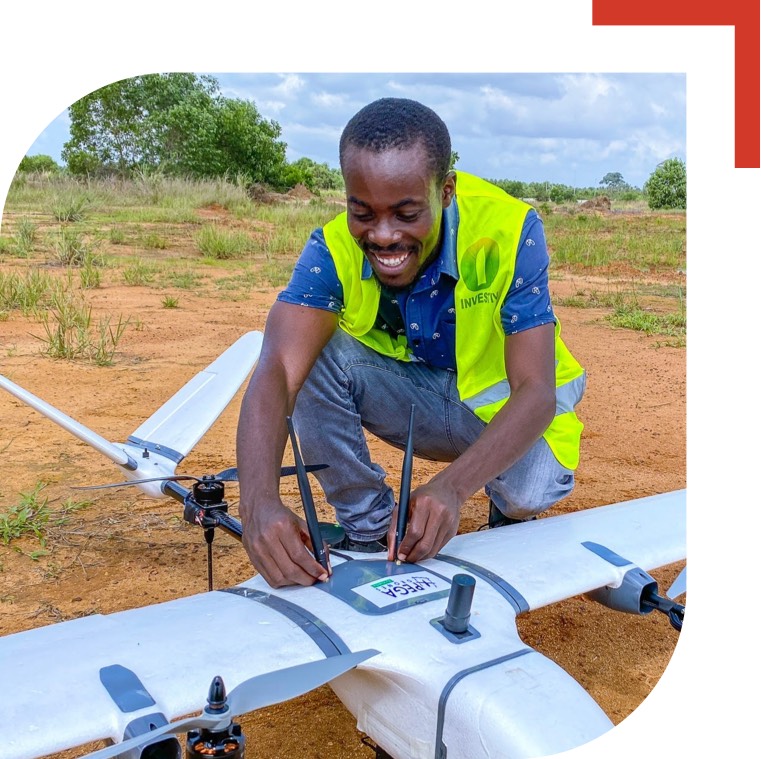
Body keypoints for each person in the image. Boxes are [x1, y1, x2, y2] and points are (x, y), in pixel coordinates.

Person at [236, 97, 586, 588]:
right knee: (310, 357)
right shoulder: (331, 248)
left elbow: (536, 391)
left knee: (528, 491)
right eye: (363, 213)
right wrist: (257, 503)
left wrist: (453, 488)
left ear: (445, 192)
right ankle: (375, 530)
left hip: (512, 416)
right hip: (419, 400)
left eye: (406, 214)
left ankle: (502, 511)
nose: (383, 236)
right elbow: (275, 369)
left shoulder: (509, 232)